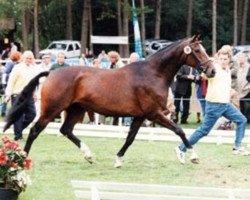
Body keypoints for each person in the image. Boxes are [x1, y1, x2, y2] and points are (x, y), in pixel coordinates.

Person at [175, 47, 249, 165]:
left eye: (225, 59)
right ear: (217, 59)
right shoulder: (214, 69)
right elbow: (205, 75)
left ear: (229, 59)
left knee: (242, 120)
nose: (223, 61)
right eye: (221, 59)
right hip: (214, 106)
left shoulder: (228, 70)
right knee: (204, 131)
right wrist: (206, 71)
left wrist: (231, 92)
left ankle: (237, 147)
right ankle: (181, 148)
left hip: (225, 104)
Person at [5, 51, 40, 141]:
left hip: (29, 95)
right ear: (23, 58)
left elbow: (34, 83)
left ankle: (19, 130)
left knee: (32, 114)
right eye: (27, 58)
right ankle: (18, 136)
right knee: (18, 116)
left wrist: (35, 93)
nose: (29, 60)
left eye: (30, 58)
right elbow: (11, 81)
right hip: (17, 95)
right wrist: (8, 95)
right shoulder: (17, 68)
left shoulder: (33, 69)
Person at [1, 51, 22, 117]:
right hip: (8, 83)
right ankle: (3, 111)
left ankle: (7, 111)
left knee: (9, 97)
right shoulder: (10, 63)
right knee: (6, 97)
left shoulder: (15, 63)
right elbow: (5, 72)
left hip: (12, 83)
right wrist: (4, 83)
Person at [107, 51, 125, 125]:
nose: (111, 59)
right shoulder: (110, 64)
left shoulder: (120, 64)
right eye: (110, 57)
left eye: (112, 57)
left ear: (116, 58)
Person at [124, 52, 140, 126]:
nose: (133, 60)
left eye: (135, 59)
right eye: (132, 59)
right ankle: (127, 122)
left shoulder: (140, 68)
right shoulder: (127, 67)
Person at [237, 53, 250, 123]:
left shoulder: (249, 67)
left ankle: (248, 120)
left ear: (245, 58)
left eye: (242, 57)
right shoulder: (238, 67)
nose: (240, 59)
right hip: (239, 91)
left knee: (247, 107)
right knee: (240, 106)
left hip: (247, 90)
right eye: (239, 58)